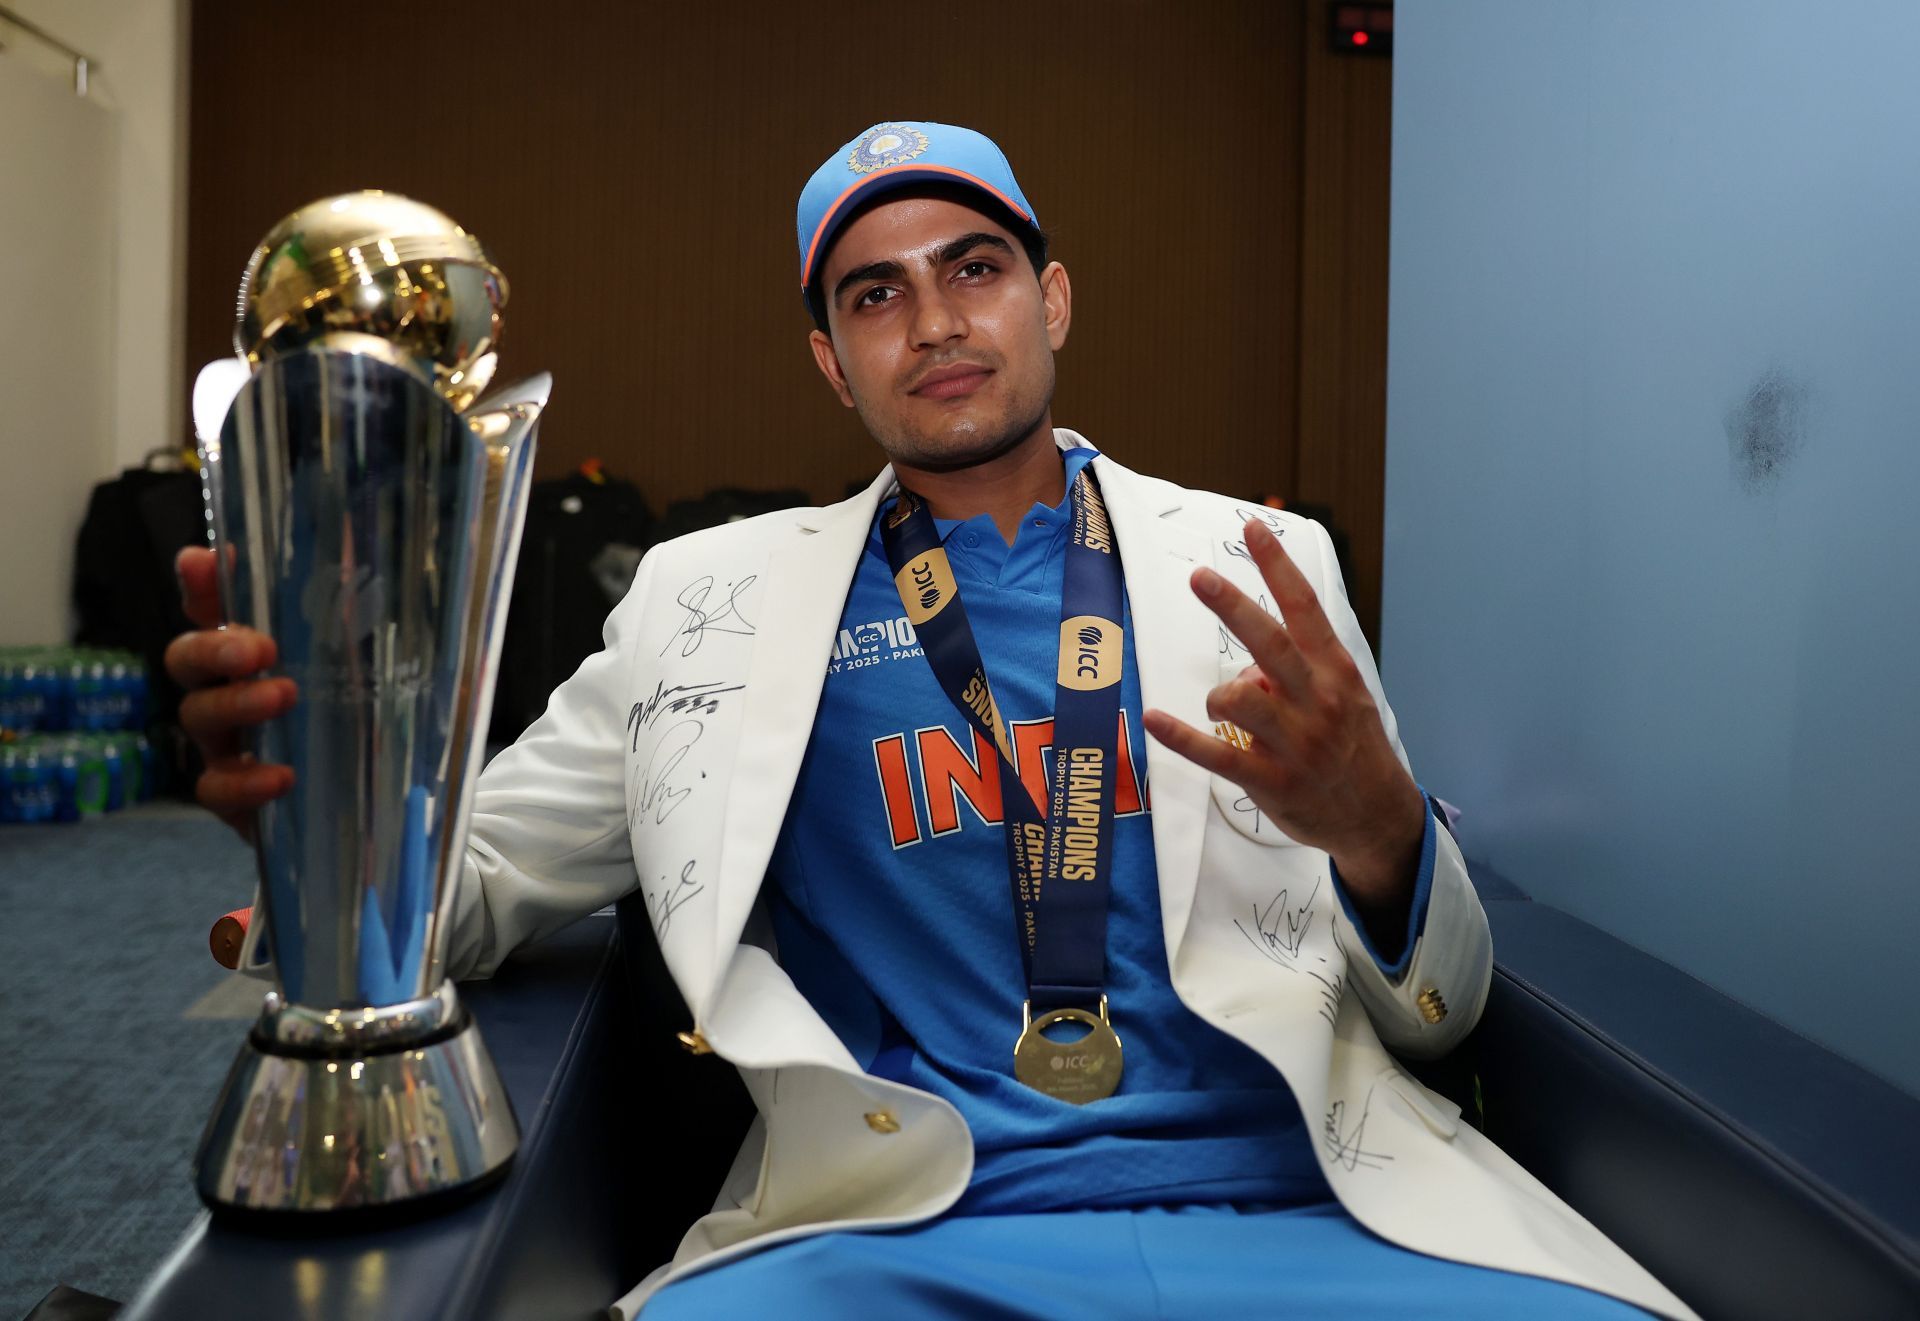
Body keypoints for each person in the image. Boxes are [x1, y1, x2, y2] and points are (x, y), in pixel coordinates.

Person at [167, 122, 1693, 1320]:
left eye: (977, 269)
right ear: (833, 360)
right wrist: (326, 814)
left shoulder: (1254, 566)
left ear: (1055, 299)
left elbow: (1446, 1010)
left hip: (1308, 1214)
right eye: (875, 294)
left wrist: (1378, 831)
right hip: (898, 1241)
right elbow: (476, 881)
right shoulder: (711, 601)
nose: (937, 322)